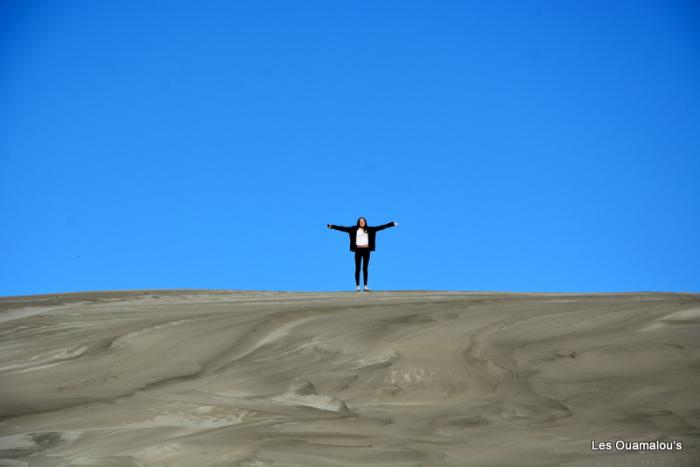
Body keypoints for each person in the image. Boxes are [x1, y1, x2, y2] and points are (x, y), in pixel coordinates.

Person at [327, 217, 398, 291]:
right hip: (358, 250)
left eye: (363, 221)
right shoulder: (353, 229)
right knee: (357, 268)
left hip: (366, 250)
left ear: (365, 222)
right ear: (358, 222)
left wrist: (392, 224)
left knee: (365, 268)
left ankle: (365, 286)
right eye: (360, 221)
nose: (362, 222)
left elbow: (381, 227)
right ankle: (357, 286)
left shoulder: (370, 229)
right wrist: (332, 226)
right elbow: (342, 228)